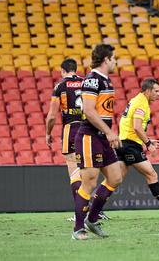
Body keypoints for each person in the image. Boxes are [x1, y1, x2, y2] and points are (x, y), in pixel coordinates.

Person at [45, 58, 109, 222]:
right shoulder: (87, 82)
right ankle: (95, 210)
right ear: (76, 69)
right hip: (89, 128)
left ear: (62, 70)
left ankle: (80, 212)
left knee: (75, 171)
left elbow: (52, 116)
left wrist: (48, 133)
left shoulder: (60, 86)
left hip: (71, 128)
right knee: (92, 171)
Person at [72, 44, 123, 240]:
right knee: (89, 182)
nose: (115, 61)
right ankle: (78, 229)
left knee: (115, 177)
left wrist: (108, 133)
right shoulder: (92, 81)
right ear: (106, 59)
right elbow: (89, 111)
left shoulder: (106, 81)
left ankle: (92, 219)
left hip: (102, 137)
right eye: (114, 58)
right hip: (89, 136)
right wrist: (110, 132)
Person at [116, 78, 159, 217]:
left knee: (115, 179)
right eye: (156, 91)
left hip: (123, 142)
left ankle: (94, 209)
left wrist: (147, 140)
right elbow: (136, 127)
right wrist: (148, 144)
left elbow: (128, 125)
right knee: (151, 174)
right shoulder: (142, 104)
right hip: (130, 146)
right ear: (148, 91)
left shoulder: (135, 100)